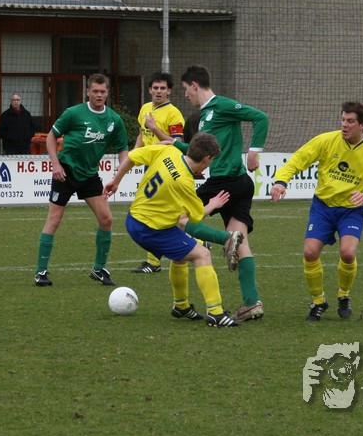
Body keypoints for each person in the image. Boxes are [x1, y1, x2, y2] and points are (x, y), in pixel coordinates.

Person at [104, 132, 243, 327]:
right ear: (206, 159)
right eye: (212, 160)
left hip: (136, 218)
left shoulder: (168, 152)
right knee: (202, 254)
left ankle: (181, 306)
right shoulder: (184, 182)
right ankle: (216, 314)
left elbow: (132, 157)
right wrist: (213, 204)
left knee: (181, 255)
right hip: (151, 229)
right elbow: (196, 216)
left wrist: (116, 181)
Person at [270, 101, 363, 321]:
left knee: (348, 253)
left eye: (350, 121)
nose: (344, 124)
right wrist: (281, 181)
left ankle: (344, 295)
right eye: (343, 119)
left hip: (352, 210)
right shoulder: (326, 140)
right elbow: (298, 159)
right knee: (310, 253)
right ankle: (318, 301)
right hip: (323, 207)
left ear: (362, 125)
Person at [179, 65, 269, 322]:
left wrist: (254, 152)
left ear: (194, 85)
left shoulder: (221, 105)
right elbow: (198, 152)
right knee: (242, 242)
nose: (185, 95)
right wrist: (171, 142)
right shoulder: (206, 115)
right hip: (238, 182)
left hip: (224, 181)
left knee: (179, 217)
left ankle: (222, 240)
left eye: (186, 89)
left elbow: (260, 117)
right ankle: (251, 303)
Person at [34, 73, 129, 287]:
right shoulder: (74, 113)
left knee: (106, 219)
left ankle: (99, 269)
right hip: (65, 171)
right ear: (88, 92)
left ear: (107, 93)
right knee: (54, 219)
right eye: (95, 91)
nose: (99, 95)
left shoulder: (114, 120)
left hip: (89, 175)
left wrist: (121, 169)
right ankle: (41, 272)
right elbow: (51, 136)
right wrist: (55, 164)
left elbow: (123, 148)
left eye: (102, 91)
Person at [130, 71, 186, 275]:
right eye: (156, 88)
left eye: (163, 88)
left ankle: (155, 261)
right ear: (149, 90)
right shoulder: (145, 108)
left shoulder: (173, 113)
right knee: (158, 212)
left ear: (169, 91)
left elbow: (177, 142)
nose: (159, 91)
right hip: (150, 165)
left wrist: (155, 128)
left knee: (158, 212)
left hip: (167, 167)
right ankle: (154, 261)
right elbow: (141, 135)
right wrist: (134, 155)